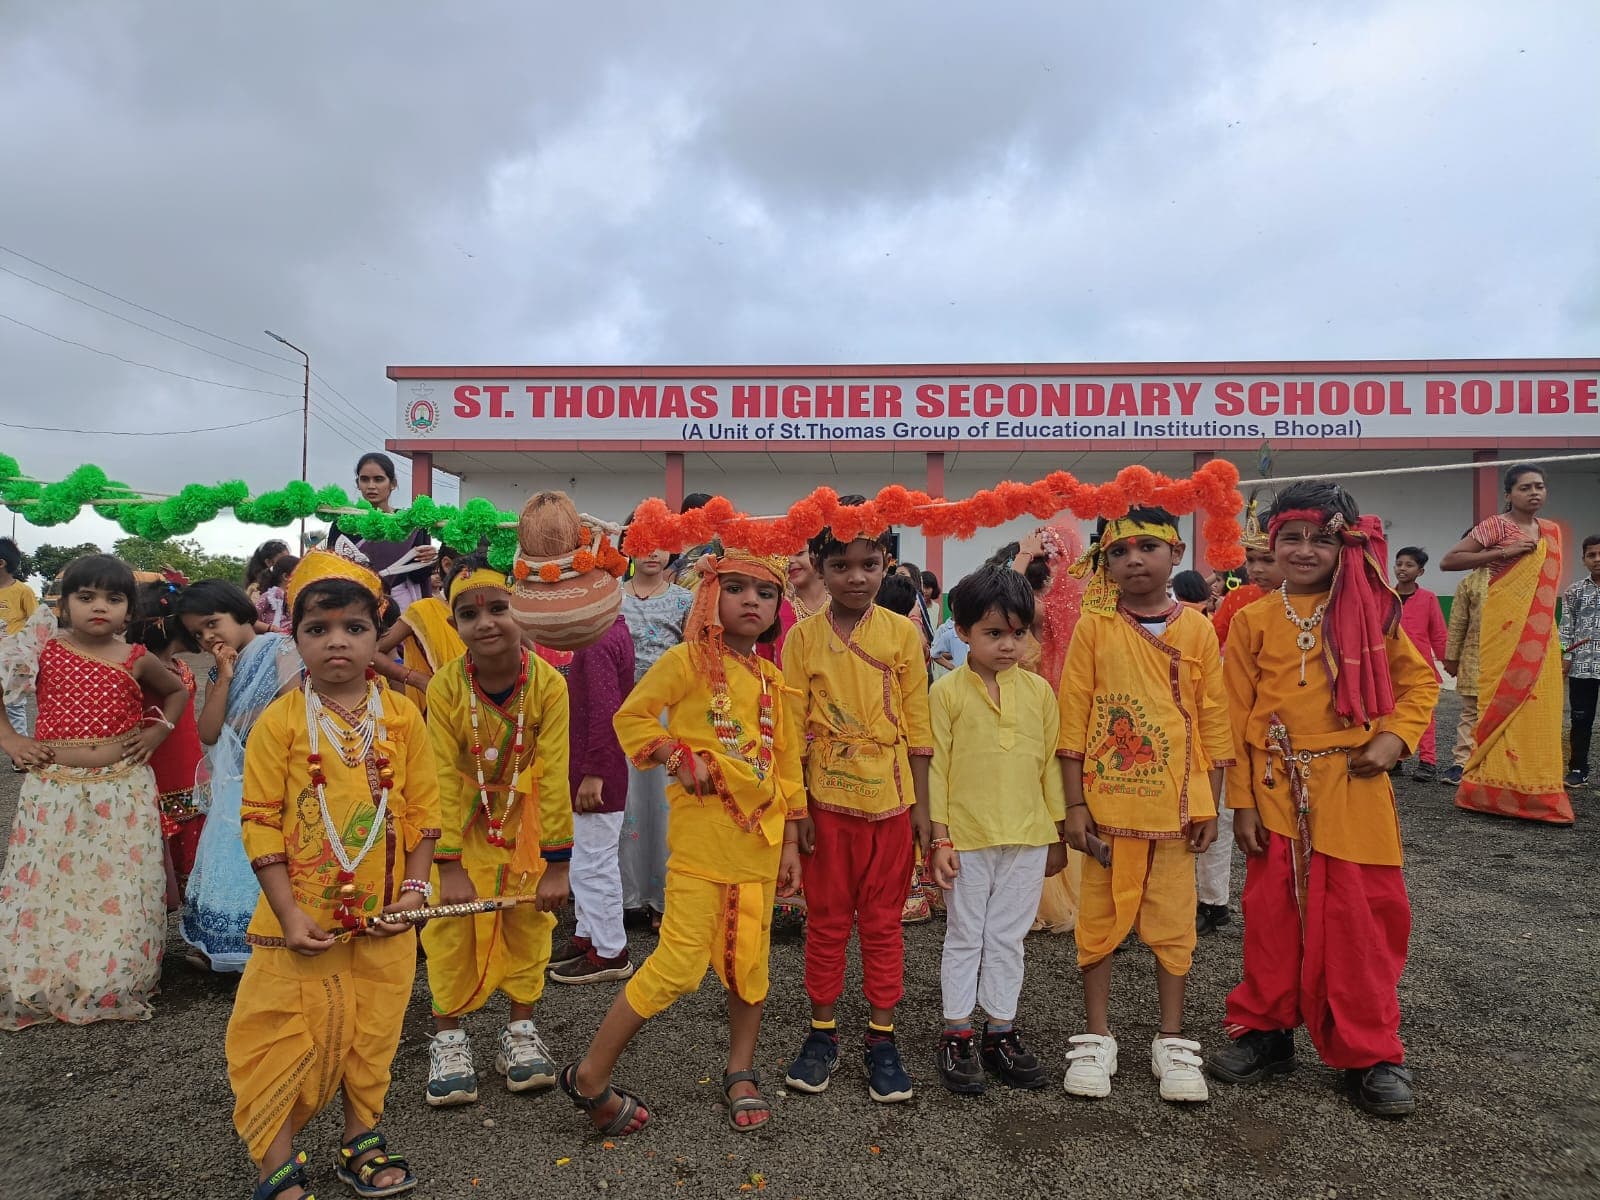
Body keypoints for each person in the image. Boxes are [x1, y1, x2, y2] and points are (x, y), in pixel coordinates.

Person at [1206, 482, 1438, 1118]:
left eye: (1322, 538)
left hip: (1353, 787)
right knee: (1272, 918)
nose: (1305, 550)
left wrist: (1392, 741)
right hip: (1277, 790)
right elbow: (1236, 718)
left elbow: (1420, 684)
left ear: (1346, 545)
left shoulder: (1374, 612)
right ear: (1272, 545)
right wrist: (1244, 805)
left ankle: (1370, 1051)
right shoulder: (1252, 619)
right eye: (1292, 538)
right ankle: (1267, 1031)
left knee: (1362, 922)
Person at [560, 548, 804, 1135]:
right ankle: (591, 1073)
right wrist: (677, 754)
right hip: (700, 841)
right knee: (674, 965)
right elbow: (633, 719)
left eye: (765, 592)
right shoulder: (685, 661)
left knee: (752, 963)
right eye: (738, 588)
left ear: (778, 608)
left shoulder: (774, 680)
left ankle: (739, 1071)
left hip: (760, 845)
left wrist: (792, 841)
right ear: (710, 595)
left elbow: (788, 764)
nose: (752, 601)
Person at [225, 550, 439, 1200]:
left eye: (354, 627)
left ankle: (359, 1141)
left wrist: (413, 891)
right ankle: (276, 1164)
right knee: (282, 1034)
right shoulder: (281, 723)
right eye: (318, 630)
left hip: (384, 920)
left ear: (379, 636)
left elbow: (426, 814)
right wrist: (289, 913)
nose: (337, 641)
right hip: (302, 920)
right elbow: (260, 821)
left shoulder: (402, 719)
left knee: (373, 1033)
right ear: (295, 639)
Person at [1056, 510, 1229, 1103]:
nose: (1134, 559)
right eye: (1120, 550)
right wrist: (1074, 803)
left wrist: (1210, 802)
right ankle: (1097, 1034)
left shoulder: (1199, 629)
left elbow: (1211, 719)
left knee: (1175, 919)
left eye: (1147, 546)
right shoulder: (1093, 626)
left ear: (1176, 553)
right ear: (1105, 564)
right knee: (1098, 919)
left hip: (1179, 809)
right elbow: (1074, 713)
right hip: (1108, 805)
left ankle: (1172, 1040)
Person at [0, 554, 187, 1029]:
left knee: (119, 884)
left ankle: (108, 980)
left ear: (130, 609)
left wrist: (156, 733)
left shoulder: (136, 657)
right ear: (63, 604)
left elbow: (178, 692)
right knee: (53, 884)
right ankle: (45, 977)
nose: (99, 607)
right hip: (53, 790)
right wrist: (12, 739)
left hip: (122, 790)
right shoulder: (42, 648)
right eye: (86, 597)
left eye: (114, 598)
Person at [782, 515, 932, 1104]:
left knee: (883, 924)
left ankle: (881, 1036)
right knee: (825, 922)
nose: (855, 577)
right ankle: (821, 1032)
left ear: (886, 566)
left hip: (893, 804)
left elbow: (919, 727)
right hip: (827, 805)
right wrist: (799, 816)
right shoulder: (801, 638)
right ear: (820, 568)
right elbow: (791, 733)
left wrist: (923, 808)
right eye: (840, 565)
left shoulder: (901, 634)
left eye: (869, 565)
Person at [422, 556, 572, 1108]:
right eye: (468, 614)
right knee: (450, 929)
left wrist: (558, 863)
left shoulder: (549, 685)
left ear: (521, 611)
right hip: (460, 819)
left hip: (526, 822)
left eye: (498, 608)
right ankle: (449, 1039)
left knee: (528, 922)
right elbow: (437, 774)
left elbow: (554, 772)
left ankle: (520, 1036)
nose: (485, 623)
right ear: (453, 623)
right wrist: (450, 864)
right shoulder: (443, 688)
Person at [927, 566, 1066, 1094]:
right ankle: (956, 1030)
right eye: (993, 633)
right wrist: (939, 839)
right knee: (965, 935)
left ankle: (999, 1029)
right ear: (962, 632)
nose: (1009, 645)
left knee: (1008, 938)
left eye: (1018, 633)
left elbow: (1051, 764)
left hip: (1027, 835)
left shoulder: (1038, 692)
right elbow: (936, 768)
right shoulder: (946, 695)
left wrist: (1055, 832)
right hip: (966, 837)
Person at [177, 580, 304, 972]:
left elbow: (291, 706)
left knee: (269, 853)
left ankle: (267, 939)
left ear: (239, 610)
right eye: (198, 633)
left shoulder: (282, 648)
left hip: (276, 772)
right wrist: (225, 677)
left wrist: (242, 719)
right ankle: (221, 942)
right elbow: (209, 732)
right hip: (236, 782)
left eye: (213, 623)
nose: (208, 636)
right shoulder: (221, 670)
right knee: (229, 854)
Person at [1440, 464, 1572, 824]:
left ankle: (1538, 788)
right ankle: (1487, 788)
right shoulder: (1496, 526)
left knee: (1541, 708)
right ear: (1509, 494)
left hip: (1540, 634)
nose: (1535, 493)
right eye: (1526, 487)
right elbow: (1449, 561)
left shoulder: (1551, 532)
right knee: (1500, 704)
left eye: (1540, 486)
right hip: (1504, 632)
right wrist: (1503, 553)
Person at [1200, 508, 1282, 936]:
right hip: (1235, 724)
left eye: (1266, 558)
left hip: (1292, 733)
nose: (1258, 569)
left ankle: (1278, 906)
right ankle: (1213, 902)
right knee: (1226, 814)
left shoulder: (1323, 603)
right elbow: (1209, 650)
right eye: (1252, 559)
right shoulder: (1239, 600)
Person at [550, 612, 637, 983]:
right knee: (586, 860)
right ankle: (588, 935)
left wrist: (595, 772)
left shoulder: (599, 641)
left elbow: (607, 713)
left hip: (597, 772)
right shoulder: (608, 633)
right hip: (592, 768)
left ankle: (610, 951)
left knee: (593, 865)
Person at [618, 542, 693, 927]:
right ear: (627, 547)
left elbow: (692, 654)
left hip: (668, 712)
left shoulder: (686, 600)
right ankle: (626, 898)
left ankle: (665, 898)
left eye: (663, 545)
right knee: (626, 805)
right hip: (623, 709)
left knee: (666, 806)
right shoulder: (610, 594)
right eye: (643, 544)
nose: (653, 554)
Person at [130, 580, 207, 902]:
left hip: (190, 772)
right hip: (158, 773)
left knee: (192, 854)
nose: (202, 632)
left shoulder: (181, 666)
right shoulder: (140, 666)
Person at [325, 452, 439, 608]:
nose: (371, 486)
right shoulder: (344, 522)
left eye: (378, 479)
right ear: (358, 483)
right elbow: (331, 570)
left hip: (400, 608)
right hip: (353, 603)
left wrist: (430, 560)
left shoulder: (410, 524)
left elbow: (418, 576)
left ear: (393, 483)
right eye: (364, 479)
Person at [1392, 547, 1448, 783]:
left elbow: (1438, 634)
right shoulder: (1385, 595)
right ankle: (1395, 759)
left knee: (1424, 716)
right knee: (1390, 713)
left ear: (1421, 571)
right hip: (1390, 668)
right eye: (1399, 563)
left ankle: (1428, 761)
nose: (1402, 568)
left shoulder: (1428, 598)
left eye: (1409, 565)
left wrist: (1448, 662)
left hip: (1421, 668)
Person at [374, 590, 465, 714]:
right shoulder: (425, 610)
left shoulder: (495, 612)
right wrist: (417, 679)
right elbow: (370, 651)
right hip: (442, 710)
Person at [1440, 562, 1488, 786]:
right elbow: (1458, 623)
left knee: (1503, 712)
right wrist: (1451, 657)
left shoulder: (1515, 578)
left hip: (1510, 657)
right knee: (1470, 711)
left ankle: (1494, 765)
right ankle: (1461, 763)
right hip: (1474, 655)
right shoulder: (1469, 583)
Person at [1559, 534, 1600, 787]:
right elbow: (1565, 629)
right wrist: (1565, 656)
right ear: (1583, 559)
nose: (1597, 559)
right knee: (1581, 719)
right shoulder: (1574, 591)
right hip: (1582, 667)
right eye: (1591, 555)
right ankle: (1578, 769)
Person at [0, 537, 38, 770]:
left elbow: (36, 625)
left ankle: (20, 755)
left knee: (14, 704)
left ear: (1, 563)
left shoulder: (22, 591)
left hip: (13, 658)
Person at [253, 554, 298, 635]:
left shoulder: (296, 598)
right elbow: (251, 620)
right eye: (299, 573)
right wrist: (272, 628)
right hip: (270, 641)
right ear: (286, 576)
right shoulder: (269, 596)